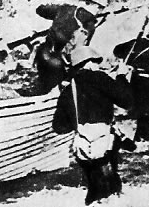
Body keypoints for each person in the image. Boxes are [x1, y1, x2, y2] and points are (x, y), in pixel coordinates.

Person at [52, 46, 134, 205]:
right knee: (111, 187)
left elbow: (59, 126)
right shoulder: (101, 79)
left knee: (95, 188)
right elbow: (127, 101)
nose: (98, 65)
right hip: (105, 143)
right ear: (89, 63)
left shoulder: (70, 89)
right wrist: (122, 77)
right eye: (96, 62)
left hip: (83, 149)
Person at [33, 0, 108, 94]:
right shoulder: (89, 24)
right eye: (101, 9)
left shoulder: (66, 9)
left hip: (43, 55)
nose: (100, 12)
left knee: (44, 88)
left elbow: (41, 10)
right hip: (60, 63)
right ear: (97, 6)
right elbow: (80, 51)